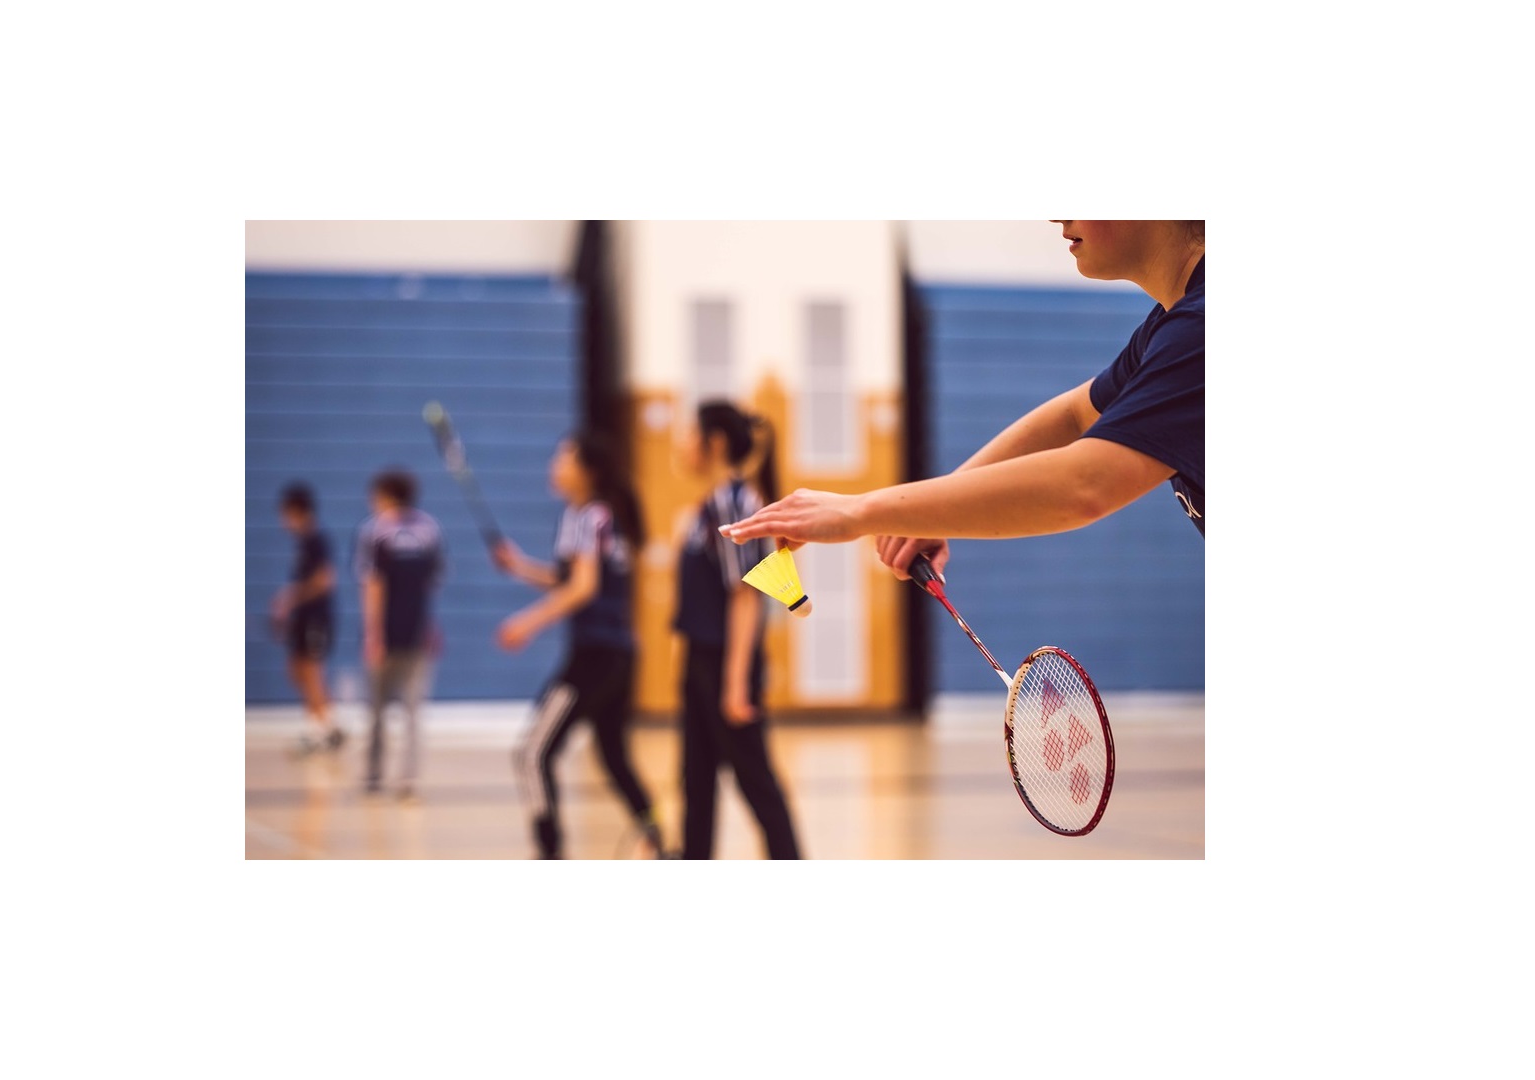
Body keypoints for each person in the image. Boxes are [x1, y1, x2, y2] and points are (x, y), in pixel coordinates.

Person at [720, 220, 1205, 577]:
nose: (1057, 215)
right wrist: (926, 512)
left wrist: (858, 511)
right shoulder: (1169, 326)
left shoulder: (1202, 327)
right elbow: (1076, 414)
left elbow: (1086, 483)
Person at [495, 431, 668, 859]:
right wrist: (519, 567)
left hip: (593, 658)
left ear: (586, 471)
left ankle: (551, 854)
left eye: (563, 458)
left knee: (532, 753)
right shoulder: (605, 516)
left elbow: (582, 588)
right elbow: (571, 578)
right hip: (621, 655)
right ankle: (659, 841)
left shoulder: (586, 517)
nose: (554, 466)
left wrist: (527, 622)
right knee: (614, 757)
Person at [671, 401, 802, 860]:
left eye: (691, 433)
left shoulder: (735, 502)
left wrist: (734, 684)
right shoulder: (711, 503)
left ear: (716, 442)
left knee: (756, 782)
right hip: (701, 660)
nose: (682, 443)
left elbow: (746, 596)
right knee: (696, 780)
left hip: (725, 664)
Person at [354, 469, 444, 801]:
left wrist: (372, 634)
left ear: (385, 495)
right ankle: (408, 781)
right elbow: (431, 586)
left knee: (376, 710)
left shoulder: (375, 531)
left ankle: (374, 776)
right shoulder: (430, 529)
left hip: (388, 635)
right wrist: (431, 626)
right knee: (412, 712)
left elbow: (372, 585)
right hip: (418, 633)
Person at [274, 483, 342, 756]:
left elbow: (325, 580)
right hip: (303, 619)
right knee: (297, 671)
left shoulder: (316, 540)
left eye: (285, 514)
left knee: (312, 672)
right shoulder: (302, 543)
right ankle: (328, 726)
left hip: (317, 618)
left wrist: (291, 597)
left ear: (296, 511)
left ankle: (319, 733)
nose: (282, 521)